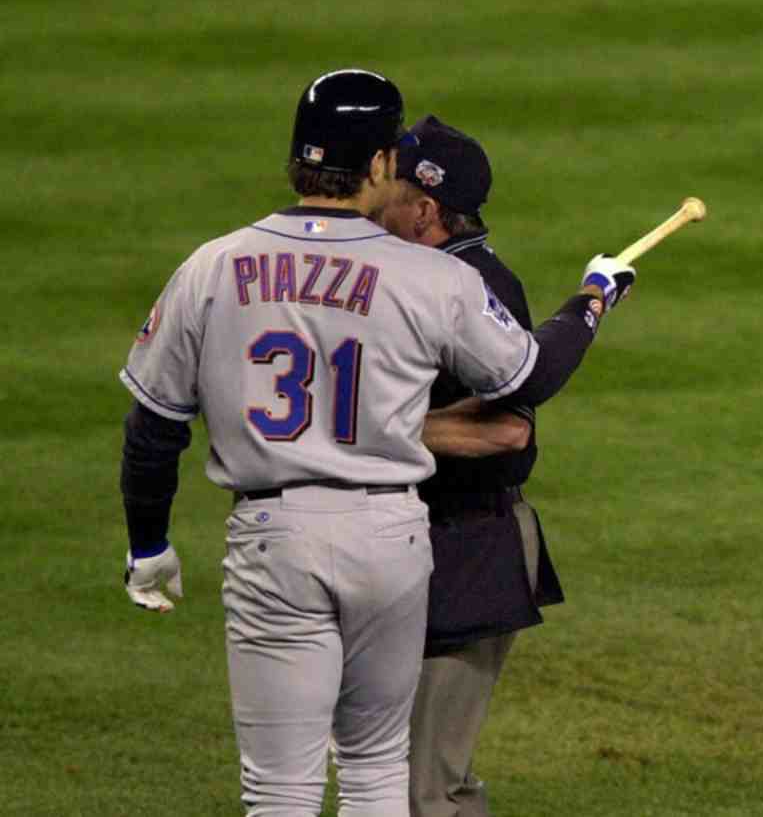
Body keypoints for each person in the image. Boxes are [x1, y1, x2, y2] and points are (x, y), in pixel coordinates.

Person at [118, 68, 635, 816]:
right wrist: (592, 300)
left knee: (279, 788)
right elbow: (528, 372)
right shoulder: (430, 276)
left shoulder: (214, 264)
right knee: (376, 775)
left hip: (274, 537)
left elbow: (153, 427)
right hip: (392, 537)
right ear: (381, 165)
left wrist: (147, 543)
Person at [375, 115, 591, 817]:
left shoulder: (477, 286)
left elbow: (506, 429)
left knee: (427, 788)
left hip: (467, 544)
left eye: (387, 183)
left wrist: (359, 431)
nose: (369, 192)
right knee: (389, 779)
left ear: (425, 209)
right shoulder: (394, 270)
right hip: (400, 541)